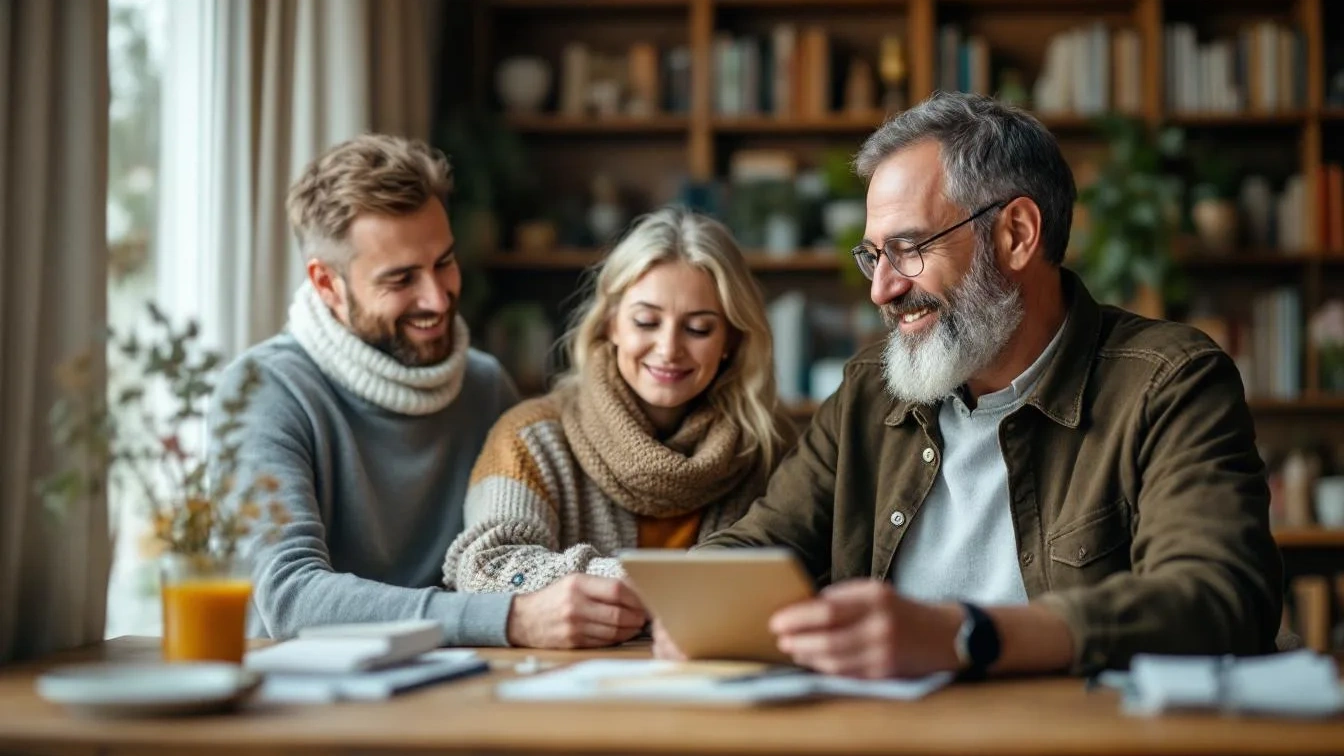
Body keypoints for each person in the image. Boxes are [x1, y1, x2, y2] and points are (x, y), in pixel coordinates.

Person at [655, 92, 1283, 679]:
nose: (882, 289)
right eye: (873, 255)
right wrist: (691, 606)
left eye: (907, 248)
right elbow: (762, 544)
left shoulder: (1169, 381)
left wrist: (966, 635)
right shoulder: (871, 391)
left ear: (1016, 234)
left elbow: (1219, 599)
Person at [209, 134, 521, 645]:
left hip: (460, 690)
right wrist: (509, 617)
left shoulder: (486, 386)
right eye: (401, 280)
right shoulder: (262, 392)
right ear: (327, 284)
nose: (438, 299)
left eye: (443, 262)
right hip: (302, 707)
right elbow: (289, 598)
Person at [442, 207, 796, 649]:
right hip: (569, 694)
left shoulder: (770, 449)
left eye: (699, 328)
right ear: (610, 322)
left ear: (731, 340)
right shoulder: (529, 437)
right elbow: (484, 568)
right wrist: (658, 587)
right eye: (646, 321)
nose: (668, 349)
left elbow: (805, 576)